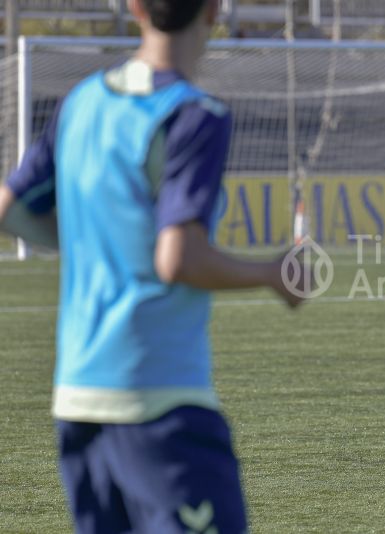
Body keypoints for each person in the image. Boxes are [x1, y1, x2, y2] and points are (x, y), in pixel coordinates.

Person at [0, 0, 309, 531]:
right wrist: (271, 274)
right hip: (158, 399)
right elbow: (178, 258)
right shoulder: (193, 113)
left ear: (134, 7)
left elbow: (10, 208)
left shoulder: (81, 102)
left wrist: (105, 244)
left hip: (77, 398)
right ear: (213, 11)